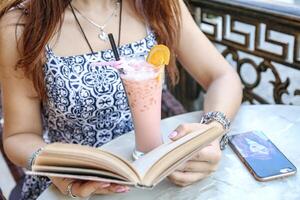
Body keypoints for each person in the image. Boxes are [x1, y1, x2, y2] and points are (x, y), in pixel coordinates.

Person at [0, 0, 243, 199]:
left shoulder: (157, 5)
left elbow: (222, 77)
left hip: (157, 174)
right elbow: (18, 136)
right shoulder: (22, 26)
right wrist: (58, 163)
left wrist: (212, 132)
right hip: (74, 184)